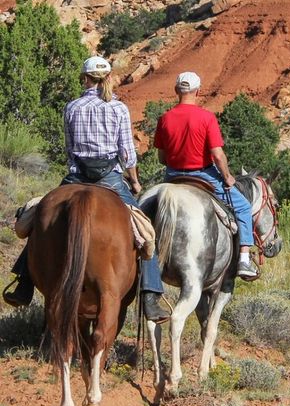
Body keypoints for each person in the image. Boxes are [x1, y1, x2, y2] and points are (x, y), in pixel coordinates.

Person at [3, 56, 170, 322]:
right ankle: (151, 295)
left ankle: (24, 283)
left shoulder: (72, 107)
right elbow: (127, 153)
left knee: (38, 219)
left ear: (85, 78)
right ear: (108, 77)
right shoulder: (118, 108)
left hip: (77, 175)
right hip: (109, 178)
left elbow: (70, 150)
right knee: (144, 229)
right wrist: (135, 181)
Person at [154, 71, 259, 280]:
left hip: (173, 175)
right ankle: (244, 260)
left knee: (145, 209)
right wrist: (228, 176)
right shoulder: (206, 117)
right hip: (204, 174)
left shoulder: (164, 118)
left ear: (176, 91)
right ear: (198, 92)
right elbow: (218, 155)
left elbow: (162, 158)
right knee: (243, 207)